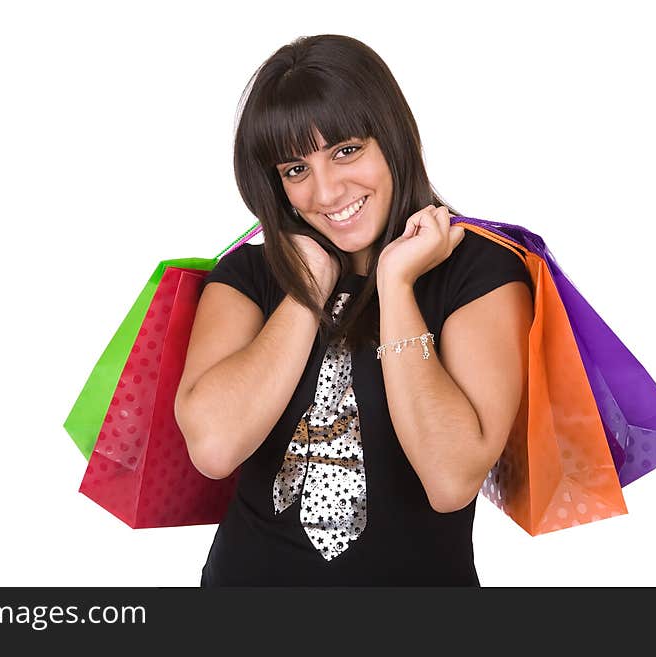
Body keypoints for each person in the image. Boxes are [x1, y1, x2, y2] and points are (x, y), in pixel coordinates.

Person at [173, 34, 534, 586]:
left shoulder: (481, 272)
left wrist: (395, 283)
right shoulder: (247, 277)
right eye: (296, 169)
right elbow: (215, 448)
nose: (326, 191)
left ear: (391, 137)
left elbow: (450, 479)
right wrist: (308, 286)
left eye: (346, 151)